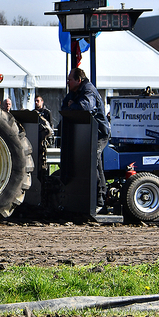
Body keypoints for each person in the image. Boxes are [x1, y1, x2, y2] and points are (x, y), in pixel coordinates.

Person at [61, 67, 111, 210]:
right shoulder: (74, 92)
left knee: (92, 159)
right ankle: (98, 197)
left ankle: (98, 198)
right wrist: (72, 106)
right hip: (86, 133)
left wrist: (73, 106)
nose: (68, 82)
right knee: (94, 162)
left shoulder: (88, 89)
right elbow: (64, 105)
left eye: (70, 79)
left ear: (79, 80)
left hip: (99, 133)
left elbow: (86, 107)